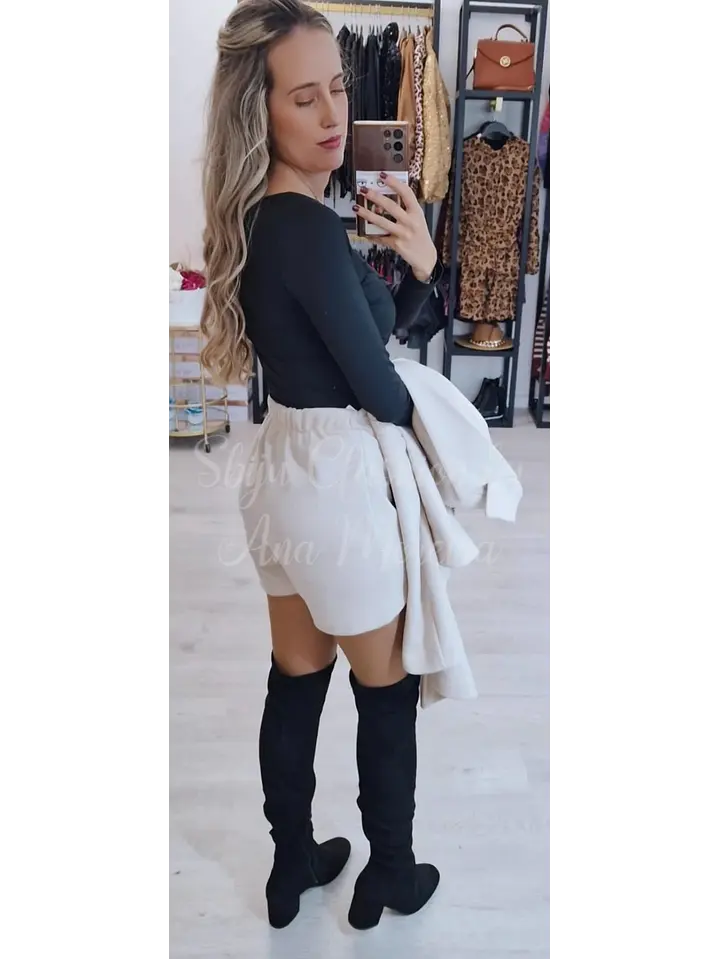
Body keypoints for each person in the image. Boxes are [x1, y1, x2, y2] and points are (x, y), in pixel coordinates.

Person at [200, 0, 443, 931]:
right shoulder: (303, 224)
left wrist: (412, 271)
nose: (334, 113)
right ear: (258, 112)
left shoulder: (264, 217)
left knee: (296, 675)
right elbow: (377, 386)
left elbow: (352, 346)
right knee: (385, 690)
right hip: (335, 480)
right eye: (304, 98)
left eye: (338, 87)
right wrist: (433, 419)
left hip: (280, 471)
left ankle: (291, 862)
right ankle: (390, 873)